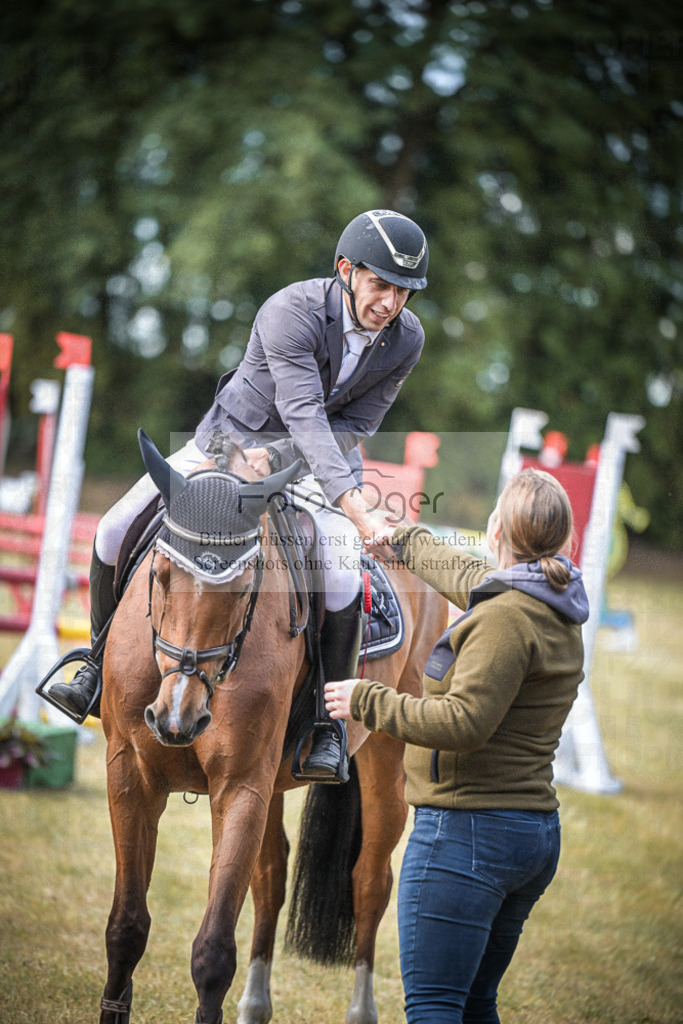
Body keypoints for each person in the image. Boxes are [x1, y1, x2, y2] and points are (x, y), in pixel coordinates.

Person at [47, 208, 430, 783]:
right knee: (112, 527)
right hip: (229, 441)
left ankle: (325, 724)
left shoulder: (407, 338)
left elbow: (358, 423)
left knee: (343, 569)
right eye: (381, 285)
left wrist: (284, 466)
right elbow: (300, 409)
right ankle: (95, 665)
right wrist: (355, 503)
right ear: (346, 270)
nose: (391, 304)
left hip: (309, 462)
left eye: (404, 292)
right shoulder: (290, 311)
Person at [324, 468, 589, 1020]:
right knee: (473, 1004)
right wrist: (397, 532)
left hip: (467, 836)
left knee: (435, 1008)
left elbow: (463, 723)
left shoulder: (504, 622)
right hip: (528, 832)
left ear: (496, 531)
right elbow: (470, 575)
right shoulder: (551, 602)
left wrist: (366, 700)